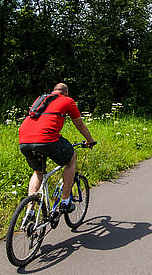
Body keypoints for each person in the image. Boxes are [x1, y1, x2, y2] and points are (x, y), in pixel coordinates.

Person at [18, 83, 96, 213]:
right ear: (66, 93)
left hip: (24, 139)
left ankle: (29, 211)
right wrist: (90, 141)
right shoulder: (68, 100)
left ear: (53, 91)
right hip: (47, 139)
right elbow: (80, 125)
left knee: (38, 172)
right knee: (71, 159)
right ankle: (65, 202)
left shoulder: (40, 99)